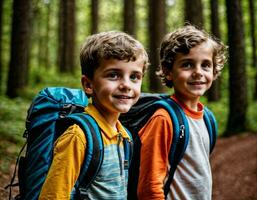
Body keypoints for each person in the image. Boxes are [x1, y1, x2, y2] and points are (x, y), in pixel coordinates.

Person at [39, 31, 149, 200]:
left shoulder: (124, 135)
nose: (126, 85)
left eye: (134, 77)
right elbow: (53, 196)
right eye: (113, 75)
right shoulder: (78, 136)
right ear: (88, 84)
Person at [137, 25, 227, 200]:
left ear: (214, 71)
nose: (198, 72)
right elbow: (149, 186)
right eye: (187, 64)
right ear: (168, 71)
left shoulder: (207, 118)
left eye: (206, 65)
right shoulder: (163, 119)